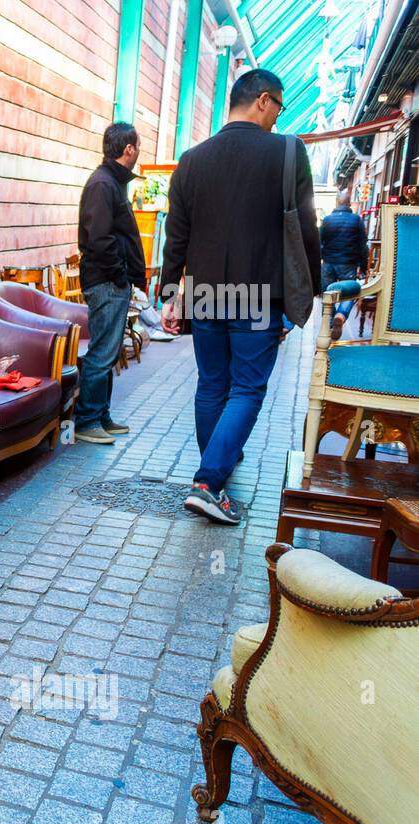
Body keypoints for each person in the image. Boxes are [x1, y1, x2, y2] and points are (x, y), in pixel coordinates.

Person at [161, 69, 320, 524]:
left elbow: (177, 237)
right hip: (257, 292)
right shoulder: (287, 152)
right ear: (264, 101)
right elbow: (305, 230)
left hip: (207, 292)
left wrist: (171, 296)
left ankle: (218, 464)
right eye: (279, 107)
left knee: (213, 383)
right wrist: (306, 296)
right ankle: (209, 482)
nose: (277, 118)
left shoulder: (192, 160)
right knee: (247, 387)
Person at [74, 122, 146, 444]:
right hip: (105, 281)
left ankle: (100, 414)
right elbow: (99, 239)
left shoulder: (112, 183)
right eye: (138, 147)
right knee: (102, 352)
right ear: (128, 149)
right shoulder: (103, 184)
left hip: (112, 280)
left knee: (110, 349)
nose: (138, 153)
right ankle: (87, 421)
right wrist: (119, 275)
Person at [319, 188, 368, 335]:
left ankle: (328, 326)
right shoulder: (357, 220)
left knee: (328, 293)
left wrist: (321, 259)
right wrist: (364, 267)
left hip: (328, 262)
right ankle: (341, 316)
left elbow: (319, 242)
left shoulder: (327, 220)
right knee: (349, 293)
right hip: (348, 263)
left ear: (337, 203)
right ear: (349, 204)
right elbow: (362, 245)